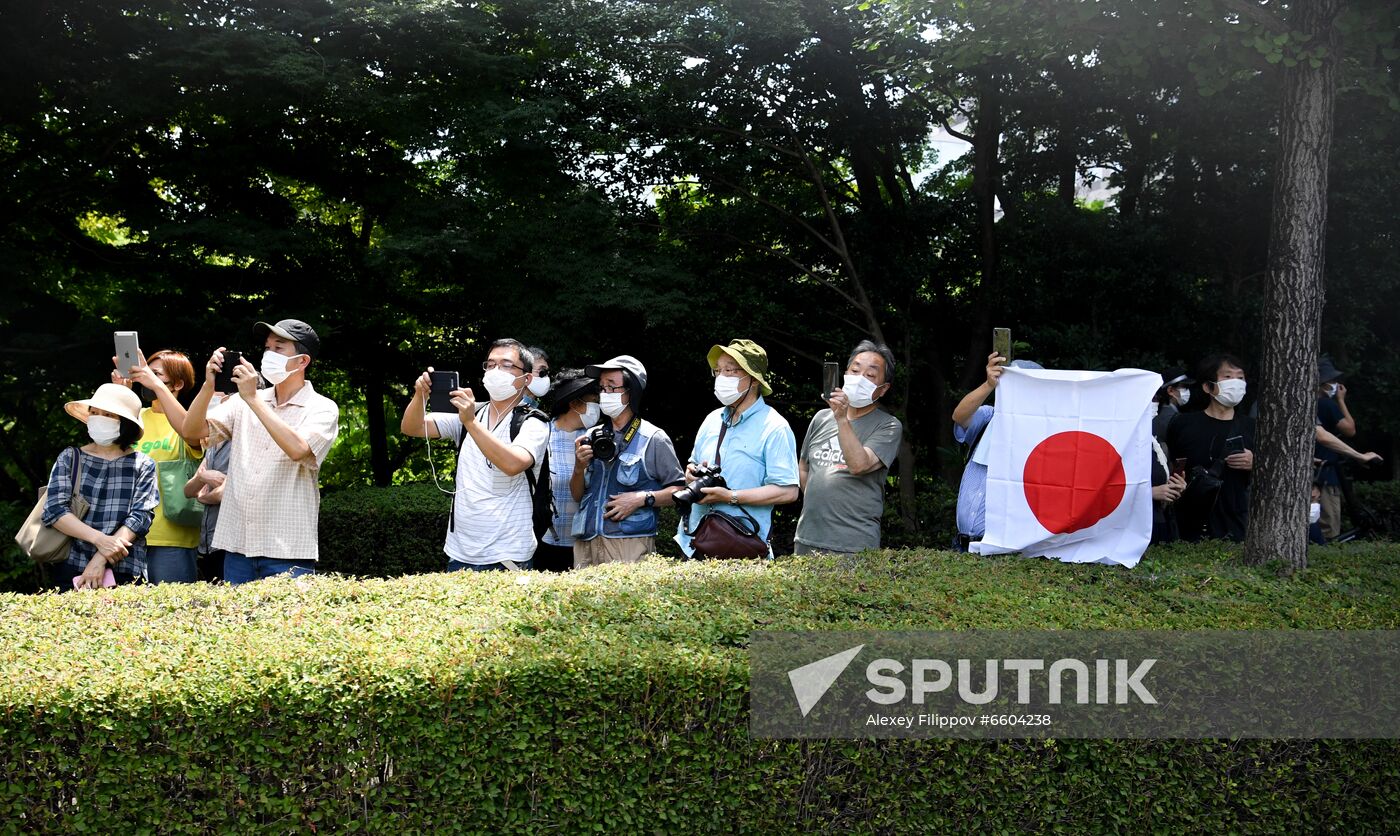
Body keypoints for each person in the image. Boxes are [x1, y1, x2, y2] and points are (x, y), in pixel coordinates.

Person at [182, 319, 340, 584]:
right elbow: (192, 431)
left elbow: (299, 449)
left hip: (288, 550)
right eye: (267, 348)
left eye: (279, 348)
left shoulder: (322, 407)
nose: (269, 355)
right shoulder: (242, 401)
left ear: (302, 362)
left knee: (289, 625)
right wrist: (208, 385)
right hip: (237, 548)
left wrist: (254, 398)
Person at [401, 338, 548, 572]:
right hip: (459, 552)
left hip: (507, 554)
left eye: (506, 365)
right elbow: (412, 427)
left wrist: (469, 422)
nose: (496, 371)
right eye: (490, 365)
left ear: (526, 378)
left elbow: (513, 463)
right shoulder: (472, 413)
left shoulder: (532, 422)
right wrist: (420, 396)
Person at [675, 340, 800, 558]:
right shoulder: (712, 420)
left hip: (742, 546)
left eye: (730, 370)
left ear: (753, 379)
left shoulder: (775, 427)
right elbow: (691, 466)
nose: (722, 377)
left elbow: (788, 491)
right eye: (718, 371)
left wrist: (729, 496)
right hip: (694, 541)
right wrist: (691, 474)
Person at [571, 355, 686, 566]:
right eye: (602, 388)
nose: (605, 393)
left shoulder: (653, 438)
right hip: (586, 543)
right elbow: (577, 495)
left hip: (630, 544)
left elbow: (679, 491)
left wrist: (642, 498)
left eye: (612, 387)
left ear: (630, 391)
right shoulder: (593, 435)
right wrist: (579, 468)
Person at [42, 383, 159, 589]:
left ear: (125, 423)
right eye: (94, 412)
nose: (97, 418)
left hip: (126, 567)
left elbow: (141, 517)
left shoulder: (143, 464)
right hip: (72, 563)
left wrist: (100, 559)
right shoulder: (70, 457)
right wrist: (101, 541)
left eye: (107, 414)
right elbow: (55, 511)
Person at [794, 340, 904, 556]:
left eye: (870, 375)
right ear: (845, 374)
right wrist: (821, 499)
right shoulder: (820, 418)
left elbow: (859, 465)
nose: (859, 378)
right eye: (855, 370)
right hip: (806, 538)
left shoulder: (889, 425)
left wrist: (842, 419)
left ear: (883, 389)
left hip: (853, 545)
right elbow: (803, 466)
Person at [113, 349, 204, 584]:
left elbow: (191, 435)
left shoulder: (189, 421)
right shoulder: (136, 418)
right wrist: (121, 395)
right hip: (125, 534)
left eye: (155, 374)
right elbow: (107, 452)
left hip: (171, 538)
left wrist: (154, 383)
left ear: (177, 383)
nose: (145, 377)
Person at [950, 352, 1043, 550]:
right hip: (962, 544)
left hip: (1003, 549)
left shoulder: (1042, 434)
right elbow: (960, 416)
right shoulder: (989, 417)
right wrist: (989, 384)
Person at [1166, 354, 1254, 541]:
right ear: (1208, 386)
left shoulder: (1254, 428)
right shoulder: (1183, 424)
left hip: (1237, 523)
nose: (1236, 383)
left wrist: (1256, 463)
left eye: (1240, 377)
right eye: (1228, 377)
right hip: (1189, 524)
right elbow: (1170, 465)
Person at [534, 369, 598, 572]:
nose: (599, 406)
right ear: (575, 403)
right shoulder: (541, 434)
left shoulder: (597, 439)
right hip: (544, 542)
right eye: (594, 400)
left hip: (586, 543)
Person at [184, 385, 233, 582]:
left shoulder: (243, 441)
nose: (212, 400)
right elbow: (188, 490)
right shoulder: (212, 443)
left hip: (230, 543)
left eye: (218, 394)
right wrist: (203, 478)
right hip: (207, 542)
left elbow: (224, 493)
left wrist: (203, 496)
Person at [1314, 355, 1357, 540]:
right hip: (1326, 474)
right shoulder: (1326, 404)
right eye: (1331, 381)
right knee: (1329, 528)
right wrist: (1341, 400)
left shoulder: (1306, 405)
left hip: (1312, 472)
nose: (1334, 385)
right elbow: (1350, 430)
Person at [1152, 369, 1194, 443]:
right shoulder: (1172, 418)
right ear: (1170, 390)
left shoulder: (1158, 413)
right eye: (1184, 387)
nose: (1187, 391)